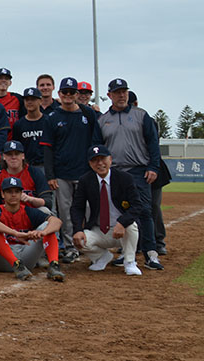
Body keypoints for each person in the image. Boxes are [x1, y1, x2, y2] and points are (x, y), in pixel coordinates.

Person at [99, 78, 163, 270]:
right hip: (114, 172)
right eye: (117, 92)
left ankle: (151, 253)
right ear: (109, 95)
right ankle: (127, 254)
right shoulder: (102, 120)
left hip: (138, 170)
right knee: (121, 213)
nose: (121, 95)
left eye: (124, 92)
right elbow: (98, 147)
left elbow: (153, 143)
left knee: (144, 211)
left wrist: (153, 167)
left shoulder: (141, 115)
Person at [41, 77, 102, 264]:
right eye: (65, 92)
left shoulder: (88, 114)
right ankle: (70, 247)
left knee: (90, 211)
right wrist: (50, 175)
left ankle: (91, 246)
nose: (68, 95)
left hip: (85, 172)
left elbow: (96, 143)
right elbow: (48, 149)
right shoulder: (52, 117)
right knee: (66, 213)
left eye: (72, 92)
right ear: (59, 94)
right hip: (62, 173)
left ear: (77, 94)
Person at [70, 145, 145, 276]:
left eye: (103, 159)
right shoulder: (85, 180)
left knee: (131, 226)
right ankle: (102, 257)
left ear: (110, 159)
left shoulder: (125, 178)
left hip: (121, 230)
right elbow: (77, 207)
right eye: (95, 160)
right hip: (99, 229)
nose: (100, 163)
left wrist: (122, 222)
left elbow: (137, 205)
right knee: (78, 240)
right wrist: (78, 230)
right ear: (90, 163)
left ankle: (130, 262)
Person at [0, 177, 64, 281]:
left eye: (17, 191)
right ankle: (15, 263)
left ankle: (54, 265)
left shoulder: (28, 211)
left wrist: (43, 232)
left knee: (48, 225)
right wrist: (15, 233)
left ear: (21, 194)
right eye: (9, 192)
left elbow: (57, 222)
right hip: (3, 261)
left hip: (26, 258)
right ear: (3, 194)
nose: (13, 195)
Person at [0, 140, 52, 210]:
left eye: (17, 154)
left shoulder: (34, 172)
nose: (13, 157)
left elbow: (48, 202)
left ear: (23, 156)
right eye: (9, 154)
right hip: (6, 214)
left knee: (44, 210)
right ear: (4, 157)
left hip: (32, 213)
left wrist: (30, 199)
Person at [11, 87, 46, 166]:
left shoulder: (48, 121)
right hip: (26, 165)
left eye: (33, 99)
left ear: (40, 101)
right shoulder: (18, 124)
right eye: (27, 100)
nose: (29, 102)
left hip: (45, 164)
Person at [0, 68, 23, 137]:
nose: (3, 80)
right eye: (0, 78)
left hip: (14, 139)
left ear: (10, 83)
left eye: (6, 78)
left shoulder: (17, 98)